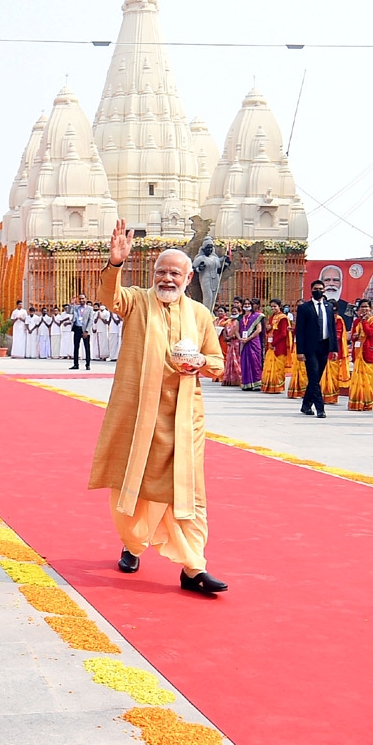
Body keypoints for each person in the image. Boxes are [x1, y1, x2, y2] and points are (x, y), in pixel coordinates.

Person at [90, 220, 228, 595]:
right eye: (161, 272)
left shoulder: (200, 315)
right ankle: (133, 545)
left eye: (175, 273)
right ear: (153, 275)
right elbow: (109, 298)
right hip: (140, 417)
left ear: (188, 278)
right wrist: (115, 263)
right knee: (134, 485)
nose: (167, 279)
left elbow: (217, 363)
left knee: (189, 491)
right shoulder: (137, 301)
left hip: (184, 419)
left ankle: (193, 567)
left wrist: (200, 362)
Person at [294, 279, 337, 418]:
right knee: (313, 376)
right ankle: (320, 408)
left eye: (321, 289)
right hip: (310, 348)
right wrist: (300, 351)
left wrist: (334, 348)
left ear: (324, 291)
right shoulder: (304, 308)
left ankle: (306, 405)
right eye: (315, 289)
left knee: (316, 378)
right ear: (311, 290)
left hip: (324, 346)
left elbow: (332, 328)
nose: (318, 291)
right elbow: (299, 330)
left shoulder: (329, 307)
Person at [348, 301, 373, 411]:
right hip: (358, 352)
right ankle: (356, 401)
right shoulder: (357, 321)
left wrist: (364, 322)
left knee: (368, 380)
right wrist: (354, 336)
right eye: (362, 307)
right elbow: (352, 338)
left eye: (366, 307)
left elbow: (370, 332)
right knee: (357, 379)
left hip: (369, 352)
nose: (364, 309)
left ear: (371, 308)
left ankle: (367, 403)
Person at [262, 300, 291, 394]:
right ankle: (269, 386)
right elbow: (269, 331)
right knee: (268, 365)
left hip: (279, 346)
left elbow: (283, 334)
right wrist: (267, 329)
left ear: (279, 306)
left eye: (275, 306)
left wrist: (273, 343)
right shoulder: (271, 317)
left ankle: (277, 387)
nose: (273, 308)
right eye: (272, 307)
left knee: (278, 367)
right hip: (270, 345)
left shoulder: (283, 318)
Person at [238, 299, 265, 392]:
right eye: (245, 304)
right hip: (243, 342)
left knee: (255, 361)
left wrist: (248, 339)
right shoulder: (240, 317)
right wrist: (240, 338)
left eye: (248, 304)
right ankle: (247, 384)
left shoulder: (257, 316)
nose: (246, 305)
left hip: (253, 341)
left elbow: (259, 330)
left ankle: (257, 383)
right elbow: (236, 329)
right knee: (245, 362)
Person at [70, 296, 94, 370]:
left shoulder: (90, 308)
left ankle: (87, 364)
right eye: (80, 299)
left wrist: (86, 331)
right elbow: (68, 311)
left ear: (86, 299)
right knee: (76, 347)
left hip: (85, 330)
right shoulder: (76, 307)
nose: (81, 300)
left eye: (83, 299)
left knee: (87, 347)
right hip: (77, 328)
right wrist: (71, 304)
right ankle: (76, 364)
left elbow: (91, 320)